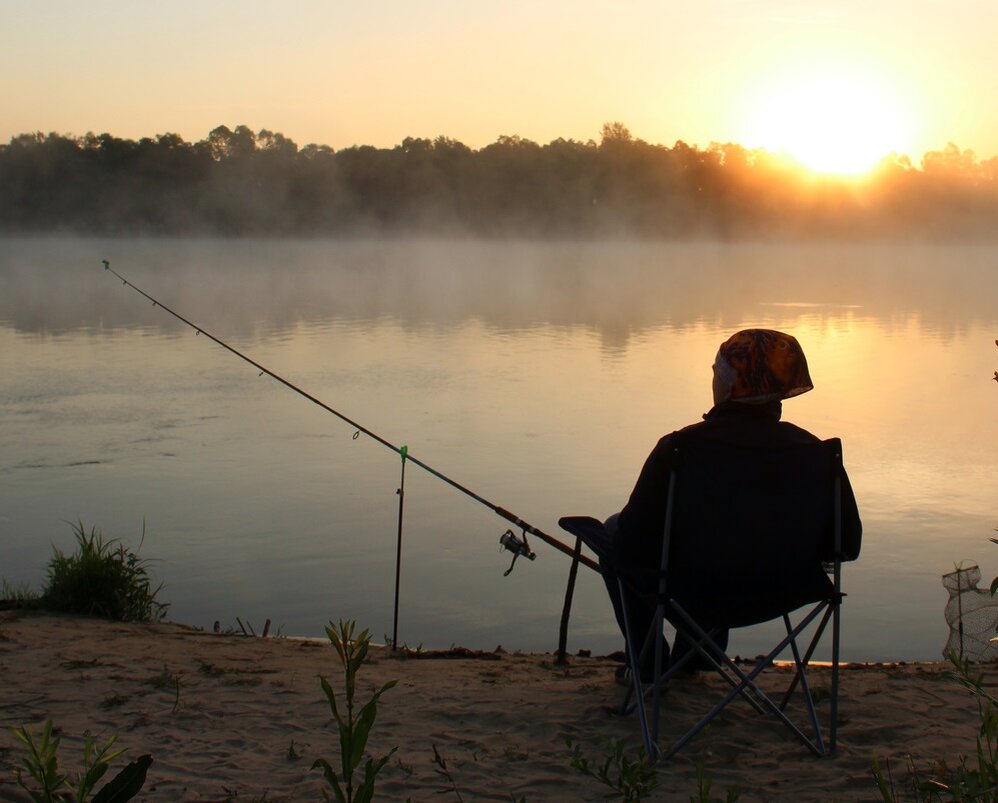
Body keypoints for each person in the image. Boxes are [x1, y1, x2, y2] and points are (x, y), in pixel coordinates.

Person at [574, 328, 862, 679]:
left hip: (695, 591)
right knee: (725, 549)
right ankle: (695, 656)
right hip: (784, 591)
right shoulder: (817, 453)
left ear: (731, 385)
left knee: (617, 531)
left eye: (718, 372)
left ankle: (649, 664)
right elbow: (846, 545)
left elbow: (635, 542)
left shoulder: (681, 449)